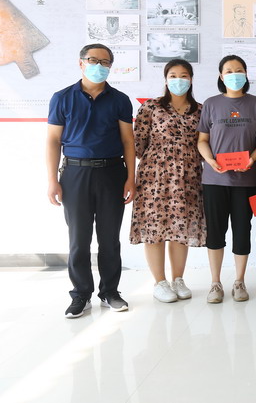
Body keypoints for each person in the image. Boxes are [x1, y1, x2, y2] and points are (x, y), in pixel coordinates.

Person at [46, 44, 135, 318]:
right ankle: (81, 295)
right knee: (79, 239)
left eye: (105, 62)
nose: (99, 66)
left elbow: (128, 141)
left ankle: (110, 292)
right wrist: (52, 180)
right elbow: (53, 141)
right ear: (81, 63)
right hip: (75, 174)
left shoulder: (120, 100)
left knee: (109, 238)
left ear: (111, 66)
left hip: (112, 173)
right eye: (93, 60)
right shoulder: (62, 98)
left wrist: (131, 178)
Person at [130, 59, 204, 303]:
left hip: (188, 176)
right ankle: (159, 282)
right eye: (173, 75)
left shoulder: (201, 110)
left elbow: (205, 143)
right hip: (154, 176)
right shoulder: (150, 107)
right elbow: (138, 144)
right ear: (165, 79)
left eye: (184, 75)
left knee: (181, 227)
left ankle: (178, 279)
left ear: (191, 79)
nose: (178, 80)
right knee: (154, 228)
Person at [197, 55, 256, 303]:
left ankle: (239, 281)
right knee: (215, 231)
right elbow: (202, 140)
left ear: (246, 74)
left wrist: (253, 159)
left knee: (242, 230)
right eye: (229, 71)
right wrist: (210, 160)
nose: (234, 75)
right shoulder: (211, 104)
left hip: (246, 180)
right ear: (221, 76)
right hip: (214, 180)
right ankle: (215, 283)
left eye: (239, 70)